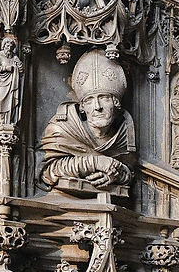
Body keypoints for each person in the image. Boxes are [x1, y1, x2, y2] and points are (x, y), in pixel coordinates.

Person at [38, 49, 136, 191]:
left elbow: (130, 171)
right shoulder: (62, 127)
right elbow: (47, 171)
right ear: (82, 107)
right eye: (90, 100)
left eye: (104, 98)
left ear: (116, 103)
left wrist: (117, 173)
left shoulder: (124, 133)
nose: (97, 107)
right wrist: (96, 162)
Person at [0, 37, 24, 126]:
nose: (9, 49)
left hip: (13, 82)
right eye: (7, 46)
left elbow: (22, 69)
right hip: (3, 82)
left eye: (11, 47)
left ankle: (10, 120)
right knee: (1, 100)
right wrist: (7, 68)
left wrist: (19, 66)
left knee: (12, 101)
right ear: (4, 46)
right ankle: (2, 120)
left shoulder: (14, 57)